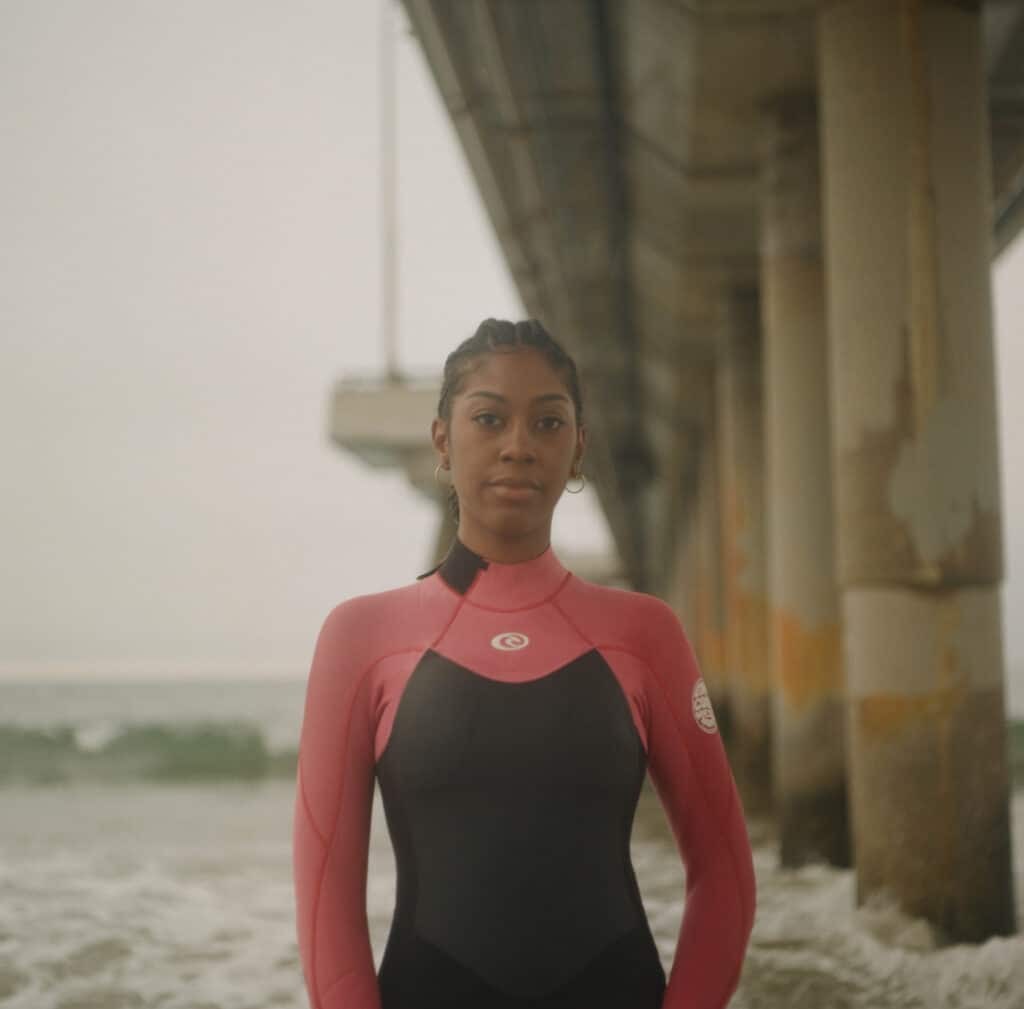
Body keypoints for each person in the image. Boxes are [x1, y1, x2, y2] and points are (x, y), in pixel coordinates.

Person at [292, 318, 756, 1009]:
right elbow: (327, 901)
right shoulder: (362, 636)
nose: (518, 446)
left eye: (548, 423)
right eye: (489, 418)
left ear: (578, 451)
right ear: (442, 440)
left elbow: (725, 874)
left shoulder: (644, 633)